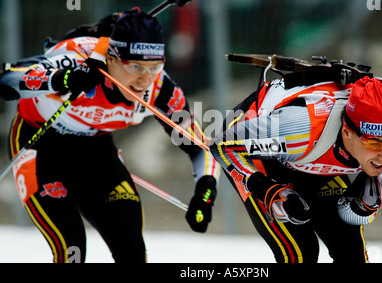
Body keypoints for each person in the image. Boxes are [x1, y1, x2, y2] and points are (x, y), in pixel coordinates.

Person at [0, 8, 220, 263]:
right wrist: (62, 80)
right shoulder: (76, 57)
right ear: (112, 59)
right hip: (41, 145)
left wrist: (205, 191)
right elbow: (6, 80)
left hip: (95, 150)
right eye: (135, 66)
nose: (143, 80)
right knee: (72, 250)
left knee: (132, 249)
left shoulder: (161, 88)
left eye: (154, 67)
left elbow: (198, 146)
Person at [209, 72, 382, 263]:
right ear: (347, 133)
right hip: (267, 152)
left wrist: (363, 207)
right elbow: (222, 145)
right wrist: (265, 189)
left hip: (315, 156)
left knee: (351, 251)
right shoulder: (297, 132)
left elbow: (347, 217)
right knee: (301, 251)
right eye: (374, 144)